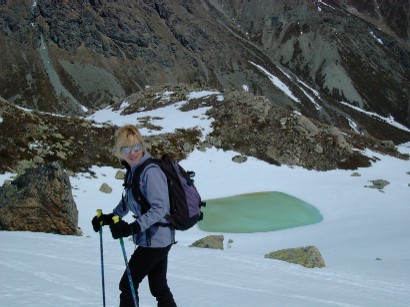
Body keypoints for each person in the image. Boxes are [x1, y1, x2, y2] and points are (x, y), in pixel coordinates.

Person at [92, 124, 177, 307]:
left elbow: (160, 208)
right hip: (158, 239)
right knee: (159, 287)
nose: (133, 152)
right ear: (119, 151)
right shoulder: (134, 171)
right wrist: (109, 217)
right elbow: (129, 202)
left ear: (142, 145)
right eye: (126, 148)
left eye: (136, 146)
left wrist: (132, 227)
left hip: (156, 240)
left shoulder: (150, 172)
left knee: (127, 285)